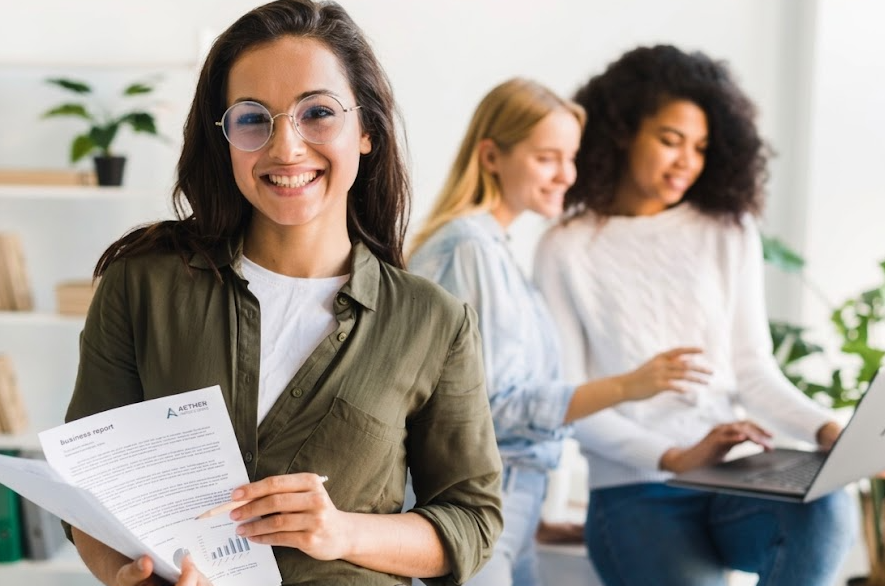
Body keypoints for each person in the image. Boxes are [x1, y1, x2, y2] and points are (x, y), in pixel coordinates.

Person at [63, 1, 503, 585]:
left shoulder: (434, 322)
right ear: (224, 140)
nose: (286, 149)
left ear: (367, 129)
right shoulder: (144, 284)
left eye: (317, 112)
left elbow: (471, 520)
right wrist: (129, 575)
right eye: (252, 119)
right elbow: (89, 490)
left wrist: (340, 531)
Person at [534, 45, 857, 586]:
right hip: (635, 489)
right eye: (669, 140)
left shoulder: (726, 230)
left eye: (701, 147)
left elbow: (752, 371)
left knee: (826, 505)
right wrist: (675, 456)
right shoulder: (566, 247)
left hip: (736, 480)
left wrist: (827, 430)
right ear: (621, 133)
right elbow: (573, 401)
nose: (687, 161)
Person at [408, 78, 711, 586]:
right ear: (491, 156)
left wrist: (537, 514)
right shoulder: (470, 249)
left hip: (513, 508)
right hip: (479, 509)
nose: (566, 175)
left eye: (570, 158)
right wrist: (627, 386)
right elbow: (489, 409)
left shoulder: (496, 250)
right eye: (548, 158)